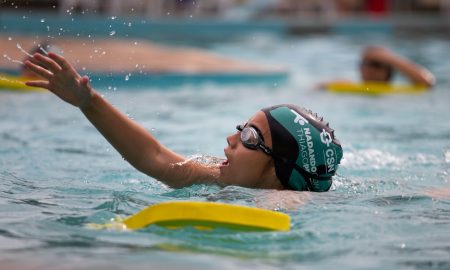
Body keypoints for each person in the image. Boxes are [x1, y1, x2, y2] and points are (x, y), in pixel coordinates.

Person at [24, 52, 343, 192]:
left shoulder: (291, 202)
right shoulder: (220, 178)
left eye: (249, 137)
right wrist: (87, 102)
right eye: (239, 130)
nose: (231, 140)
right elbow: (157, 160)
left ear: (280, 168)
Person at [321, 46, 435, 88]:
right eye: (364, 63)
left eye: (376, 64)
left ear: (388, 69)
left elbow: (427, 82)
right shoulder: (346, 85)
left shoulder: (399, 91)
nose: (368, 68)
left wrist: (388, 57)